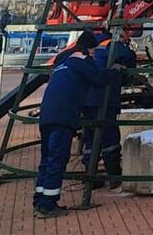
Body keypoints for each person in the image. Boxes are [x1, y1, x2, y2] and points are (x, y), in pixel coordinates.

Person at [34, 30, 122, 219]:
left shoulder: (63, 61)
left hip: (47, 114)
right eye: (92, 51)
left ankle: (40, 198)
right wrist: (114, 71)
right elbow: (99, 79)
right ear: (89, 48)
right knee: (57, 158)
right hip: (63, 116)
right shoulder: (81, 60)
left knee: (46, 159)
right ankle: (49, 205)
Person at [81, 31, 136, 190]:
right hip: (105, 97)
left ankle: (90, 176)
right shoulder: (110, 44)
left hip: (86, 99)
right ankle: (114, 176)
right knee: (109, 136)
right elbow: (129, 56)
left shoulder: (90, 46)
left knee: (90, 137)